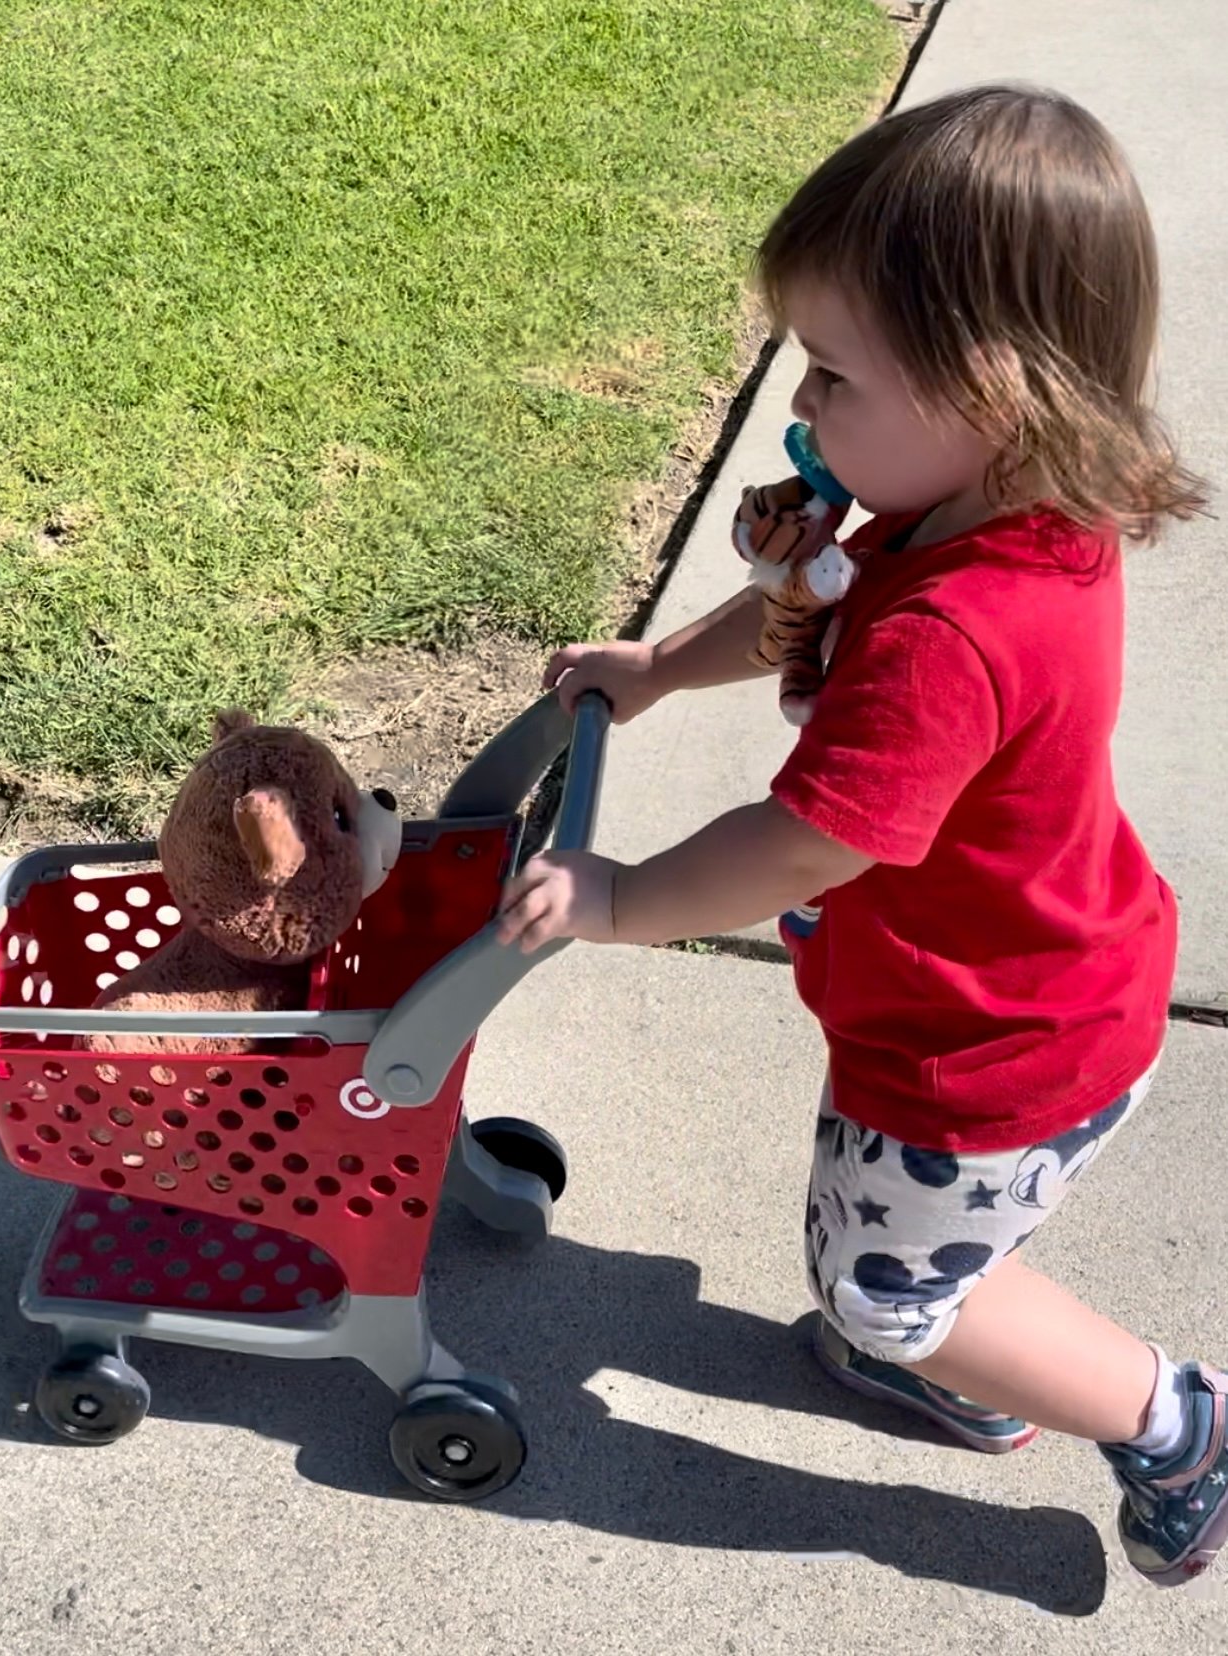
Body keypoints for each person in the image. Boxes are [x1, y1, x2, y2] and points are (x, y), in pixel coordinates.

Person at [496, 85, 1224, 1588]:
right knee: (893, 1249)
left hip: (988, 1047)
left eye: (830, 376)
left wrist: (623, 893)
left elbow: (808, 840)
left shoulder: (958, 631)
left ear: (996, 385)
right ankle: (946, 1350)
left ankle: (1171, 1422)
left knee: (889, 1287)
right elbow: (802, 599)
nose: (802, 413)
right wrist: (656, 669)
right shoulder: (979, 505)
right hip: (1020, 972)